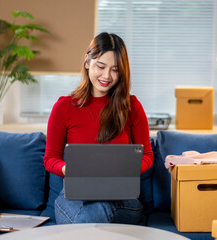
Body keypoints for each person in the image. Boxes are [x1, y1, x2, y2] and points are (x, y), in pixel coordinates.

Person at [43, 32, 154, 224]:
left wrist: (126, 169)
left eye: (115, 69)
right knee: (94, 211)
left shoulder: (132, 106)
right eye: (101, 66)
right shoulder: (64, 107)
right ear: (87, 62)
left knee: (96, 211)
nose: (107, 76)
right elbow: (50, 159)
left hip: (122, 200)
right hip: (74, 197)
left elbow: (148, 156)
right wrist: (70, 169)